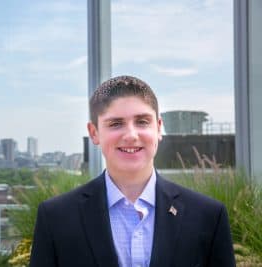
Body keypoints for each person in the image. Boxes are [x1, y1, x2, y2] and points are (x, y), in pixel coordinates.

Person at [29, 75, 235, 267]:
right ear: (94, 133)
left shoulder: (208, 216)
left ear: (158, 128)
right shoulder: (56, 217)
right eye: (116, 123)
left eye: (142, 122)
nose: (131, 135)